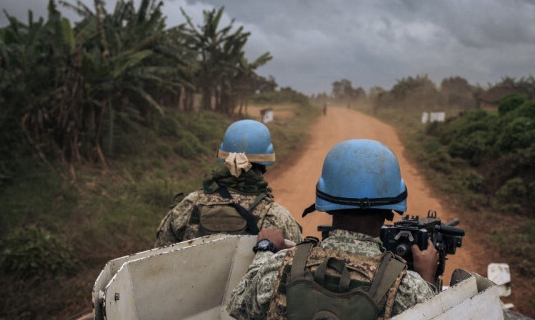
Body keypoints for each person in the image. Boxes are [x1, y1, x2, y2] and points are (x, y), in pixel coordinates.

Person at [227, 139, 438, 320]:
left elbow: (238, 306)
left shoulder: (279, 267)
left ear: (326, 203)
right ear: (390, 210)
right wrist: (426, 279)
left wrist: (265, 250)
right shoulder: (408, 289)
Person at [155, 120, 303, 247]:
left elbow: (160, 256)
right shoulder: (278, 217)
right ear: (264, 165)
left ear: (224, 160)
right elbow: (295, 268)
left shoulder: (187, 206)